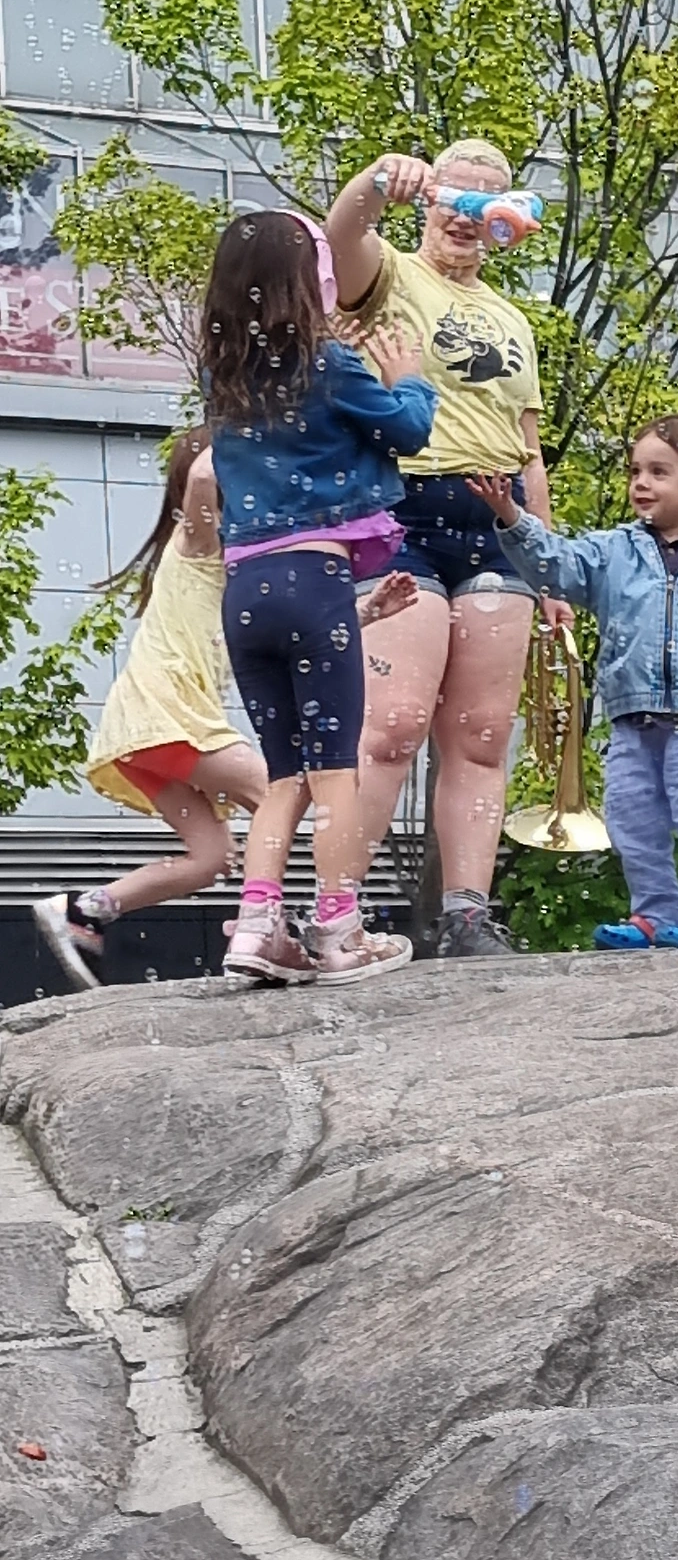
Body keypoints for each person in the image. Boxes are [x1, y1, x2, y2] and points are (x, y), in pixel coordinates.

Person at [324, 137, 574, 957]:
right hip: (404, 505)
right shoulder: (392, 275)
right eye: (455, 197)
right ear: (432, 201)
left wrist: (550, 567)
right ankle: (337, 910)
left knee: (481, 731)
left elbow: (528, 450)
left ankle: (467, 913)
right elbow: (339, 237)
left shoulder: (512, 319)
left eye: (486, 201)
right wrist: (378, 180)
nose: (467, 217)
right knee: (392, 724)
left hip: (496, 520)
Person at [203, 208, 438, 985]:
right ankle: (339, 929)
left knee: (283, 774)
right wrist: (410, 379)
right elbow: (407, 432)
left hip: (246, 593)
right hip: (314, 578)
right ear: (313, 283)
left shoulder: (221, 380)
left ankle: (257, 928)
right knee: (335, 767)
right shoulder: (329, 364)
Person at [468, 415, 678, 949]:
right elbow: (556, 565)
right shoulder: (614, 552)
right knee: (633, 824)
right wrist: (512, 517)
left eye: (659, 472)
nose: (641, 483)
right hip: (631, 723)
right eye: (635, 471)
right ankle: (654, 914)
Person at [32, 428, 267, 993]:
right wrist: (246, 420)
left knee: (211, 858)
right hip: (167, 715)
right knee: (278, 793)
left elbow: (282, 637)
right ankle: (262, 926)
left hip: (144, 726)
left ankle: (85, 910)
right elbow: (205, 475)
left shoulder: (231, 569)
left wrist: (366, 615)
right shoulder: (198, 543)